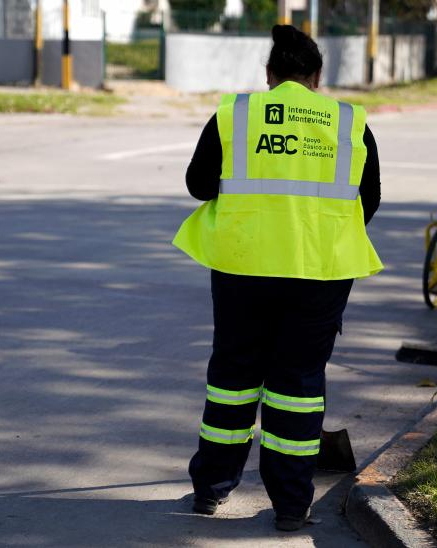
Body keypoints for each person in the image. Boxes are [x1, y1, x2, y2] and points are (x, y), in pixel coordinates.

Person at [172, 25, 382, 531]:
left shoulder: (235, 115)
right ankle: (291, 505)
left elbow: (198, 185)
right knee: (298, 385)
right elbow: (367, 200)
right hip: (320, 272)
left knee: (233, 377)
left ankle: (210, 492)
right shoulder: (349, 121)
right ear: (316, 77)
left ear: (269, 75)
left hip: (243, 267)